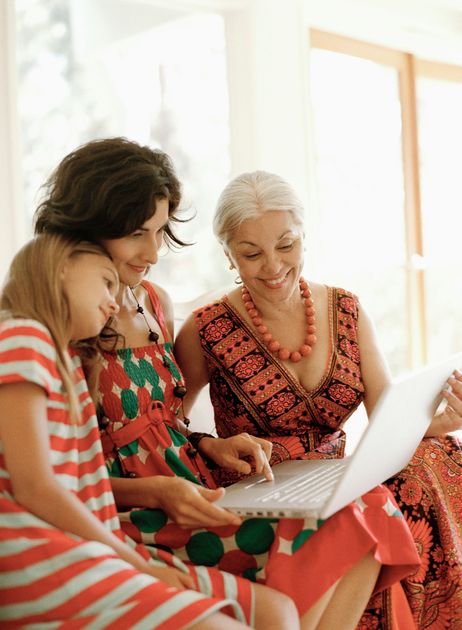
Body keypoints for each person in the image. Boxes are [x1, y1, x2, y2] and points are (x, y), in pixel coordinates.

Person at [34, 138, 420, 629]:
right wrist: (155, 491)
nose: (154, 251)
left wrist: (210, 445)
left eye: (160, 230)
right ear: (90, 227)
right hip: (139, 512)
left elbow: (167, 418)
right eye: (138, 233)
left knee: (372, 509)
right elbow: (55, 475)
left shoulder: (153, 301)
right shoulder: (62, 319)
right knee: (356, 523)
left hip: (193, 487)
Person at [174, 169, 462, 628]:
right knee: (376, 506)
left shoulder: (346, 309)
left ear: (305, 237)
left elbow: (385, 415)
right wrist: (212, 445)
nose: (272, 266)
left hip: (335, 475)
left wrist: (439, 422)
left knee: (440, 455)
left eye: (286, 245)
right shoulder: (205, 329)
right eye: (251, 253)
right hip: (264, 487)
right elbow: (174, 427)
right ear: (229, 256)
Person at [0, 233, 299, 629]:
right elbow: (36, 487)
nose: (114, 300)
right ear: (61, 270)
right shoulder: (24, 338)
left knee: (278, 612)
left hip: (97, 547)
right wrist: (134, 563)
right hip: (42, 558)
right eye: (105, 282)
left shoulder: (67, 361)